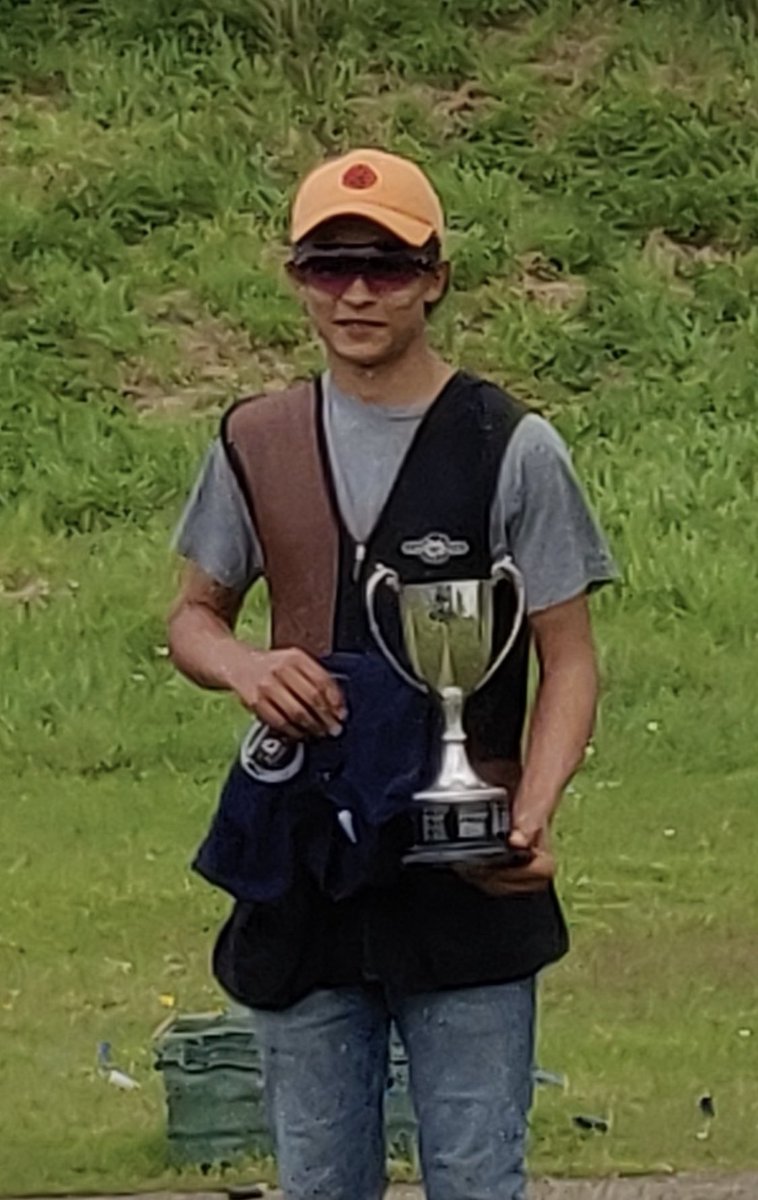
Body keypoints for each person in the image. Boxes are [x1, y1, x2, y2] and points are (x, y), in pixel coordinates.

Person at [168, 148, 617, 1200]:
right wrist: (244, 664)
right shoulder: (253, 439)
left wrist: (531, 813)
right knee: (318, 1182)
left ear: (434, 276)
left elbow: (569, 660)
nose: (357, 291)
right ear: (294, 278)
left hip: (463, 872)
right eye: (328, 267)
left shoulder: (513, 445)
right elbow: (193, 617)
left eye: (385, 264)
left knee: (473, 1179)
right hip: (306, 863)